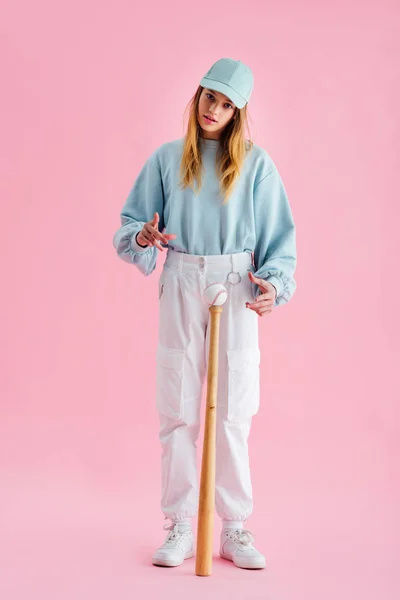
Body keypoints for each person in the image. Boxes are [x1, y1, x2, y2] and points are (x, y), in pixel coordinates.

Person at [113, 57, 297, 570]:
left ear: (238, 112)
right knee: (177, 408)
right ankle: (181, 525)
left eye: (225, 103)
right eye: (208, 96)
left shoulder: (256, 165)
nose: (213, 109)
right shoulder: (166, 160)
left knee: (234, 409)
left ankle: (234, 526)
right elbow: (132, 226)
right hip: (182, 278)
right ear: (196, 95)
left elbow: (281, 241)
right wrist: (143, 237)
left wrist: (274, 286)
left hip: (236, 283)